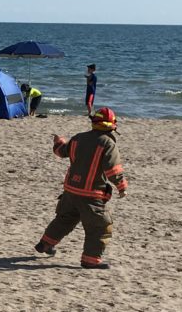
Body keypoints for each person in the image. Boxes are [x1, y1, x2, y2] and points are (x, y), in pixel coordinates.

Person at [35, 106, 128, 269]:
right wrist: (122, 186)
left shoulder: (78, 138)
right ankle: (90, 260)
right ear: (113, 125)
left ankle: (45, 244)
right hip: (92, 195)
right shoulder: (108, 143)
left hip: (70, 191)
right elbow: (112, 169)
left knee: (64, 220)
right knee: (99, 227)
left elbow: (61, 151)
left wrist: (58, 141)